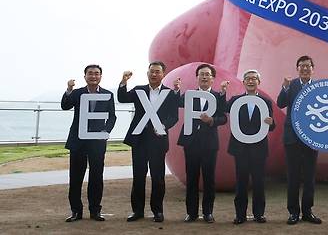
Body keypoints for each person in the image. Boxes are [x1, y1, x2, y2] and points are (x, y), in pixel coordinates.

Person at [118, 61, 179, 223]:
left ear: (163, 74)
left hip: (158, 140)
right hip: (139, 140)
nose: (154, 74)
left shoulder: (170, 93)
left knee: (158, 177)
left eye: (157, 71)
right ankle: (137, 211)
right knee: (138, 176)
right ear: (147, 73)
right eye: (151, 71)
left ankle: (157, 211)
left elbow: (174, 117)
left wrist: (162, 126)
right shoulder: (139, 90)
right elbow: (122, 98)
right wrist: (124, 82)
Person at [61, 64, 117, 222]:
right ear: (85, 76)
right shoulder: (77, 93)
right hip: (78, 141)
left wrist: (105, 132)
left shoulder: (108, 94)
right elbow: (65, 106)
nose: (93, 76)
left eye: (97, 74)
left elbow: (112, 117)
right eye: (90, 74)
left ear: (101, 76)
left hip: (97, 142)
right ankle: (76, 211)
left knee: (96, 177)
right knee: (75, 178)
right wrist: (69, 89)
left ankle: (95, 211)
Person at [174, 64, 227, 223]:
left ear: (212, 78)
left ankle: (208, 212)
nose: (204, 77)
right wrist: (176, 89)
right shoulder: (189, 95)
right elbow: (178, 103)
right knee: (191, 178)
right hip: (191, 142)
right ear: (197, 77)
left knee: (209, 179)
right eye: (202, 74)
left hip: (209, 144)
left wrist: (212, 120)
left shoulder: (218, 96)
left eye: (207, 74)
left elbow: (224, 118)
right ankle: (191, 213)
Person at [277, 55, 322, 224]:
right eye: (302, 66)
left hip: (312, 138)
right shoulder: (291, 85)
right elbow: (280, 103)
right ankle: (293, 212)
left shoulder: (319, 87)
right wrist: (285, 87)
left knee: (310, 177)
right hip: (292, 138)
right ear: (297, 69)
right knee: (293, 176)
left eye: (308, 66)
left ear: (313, 69)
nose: (305, 69)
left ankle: (307, 212)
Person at [227, 69, 276, 224]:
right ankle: (240, 215)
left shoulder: (266, 102)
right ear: (243, 82)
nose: (250, 81)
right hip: (240, 148)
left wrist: (271, 123)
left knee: (259, 182)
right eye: (247, 78)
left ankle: (259, 214)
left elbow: (271, 126)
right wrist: (222, 92)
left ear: (258, 82)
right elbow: (221, 108)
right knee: (241, 182)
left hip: (259, 149)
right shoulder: (235, 100)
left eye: (254, 78)